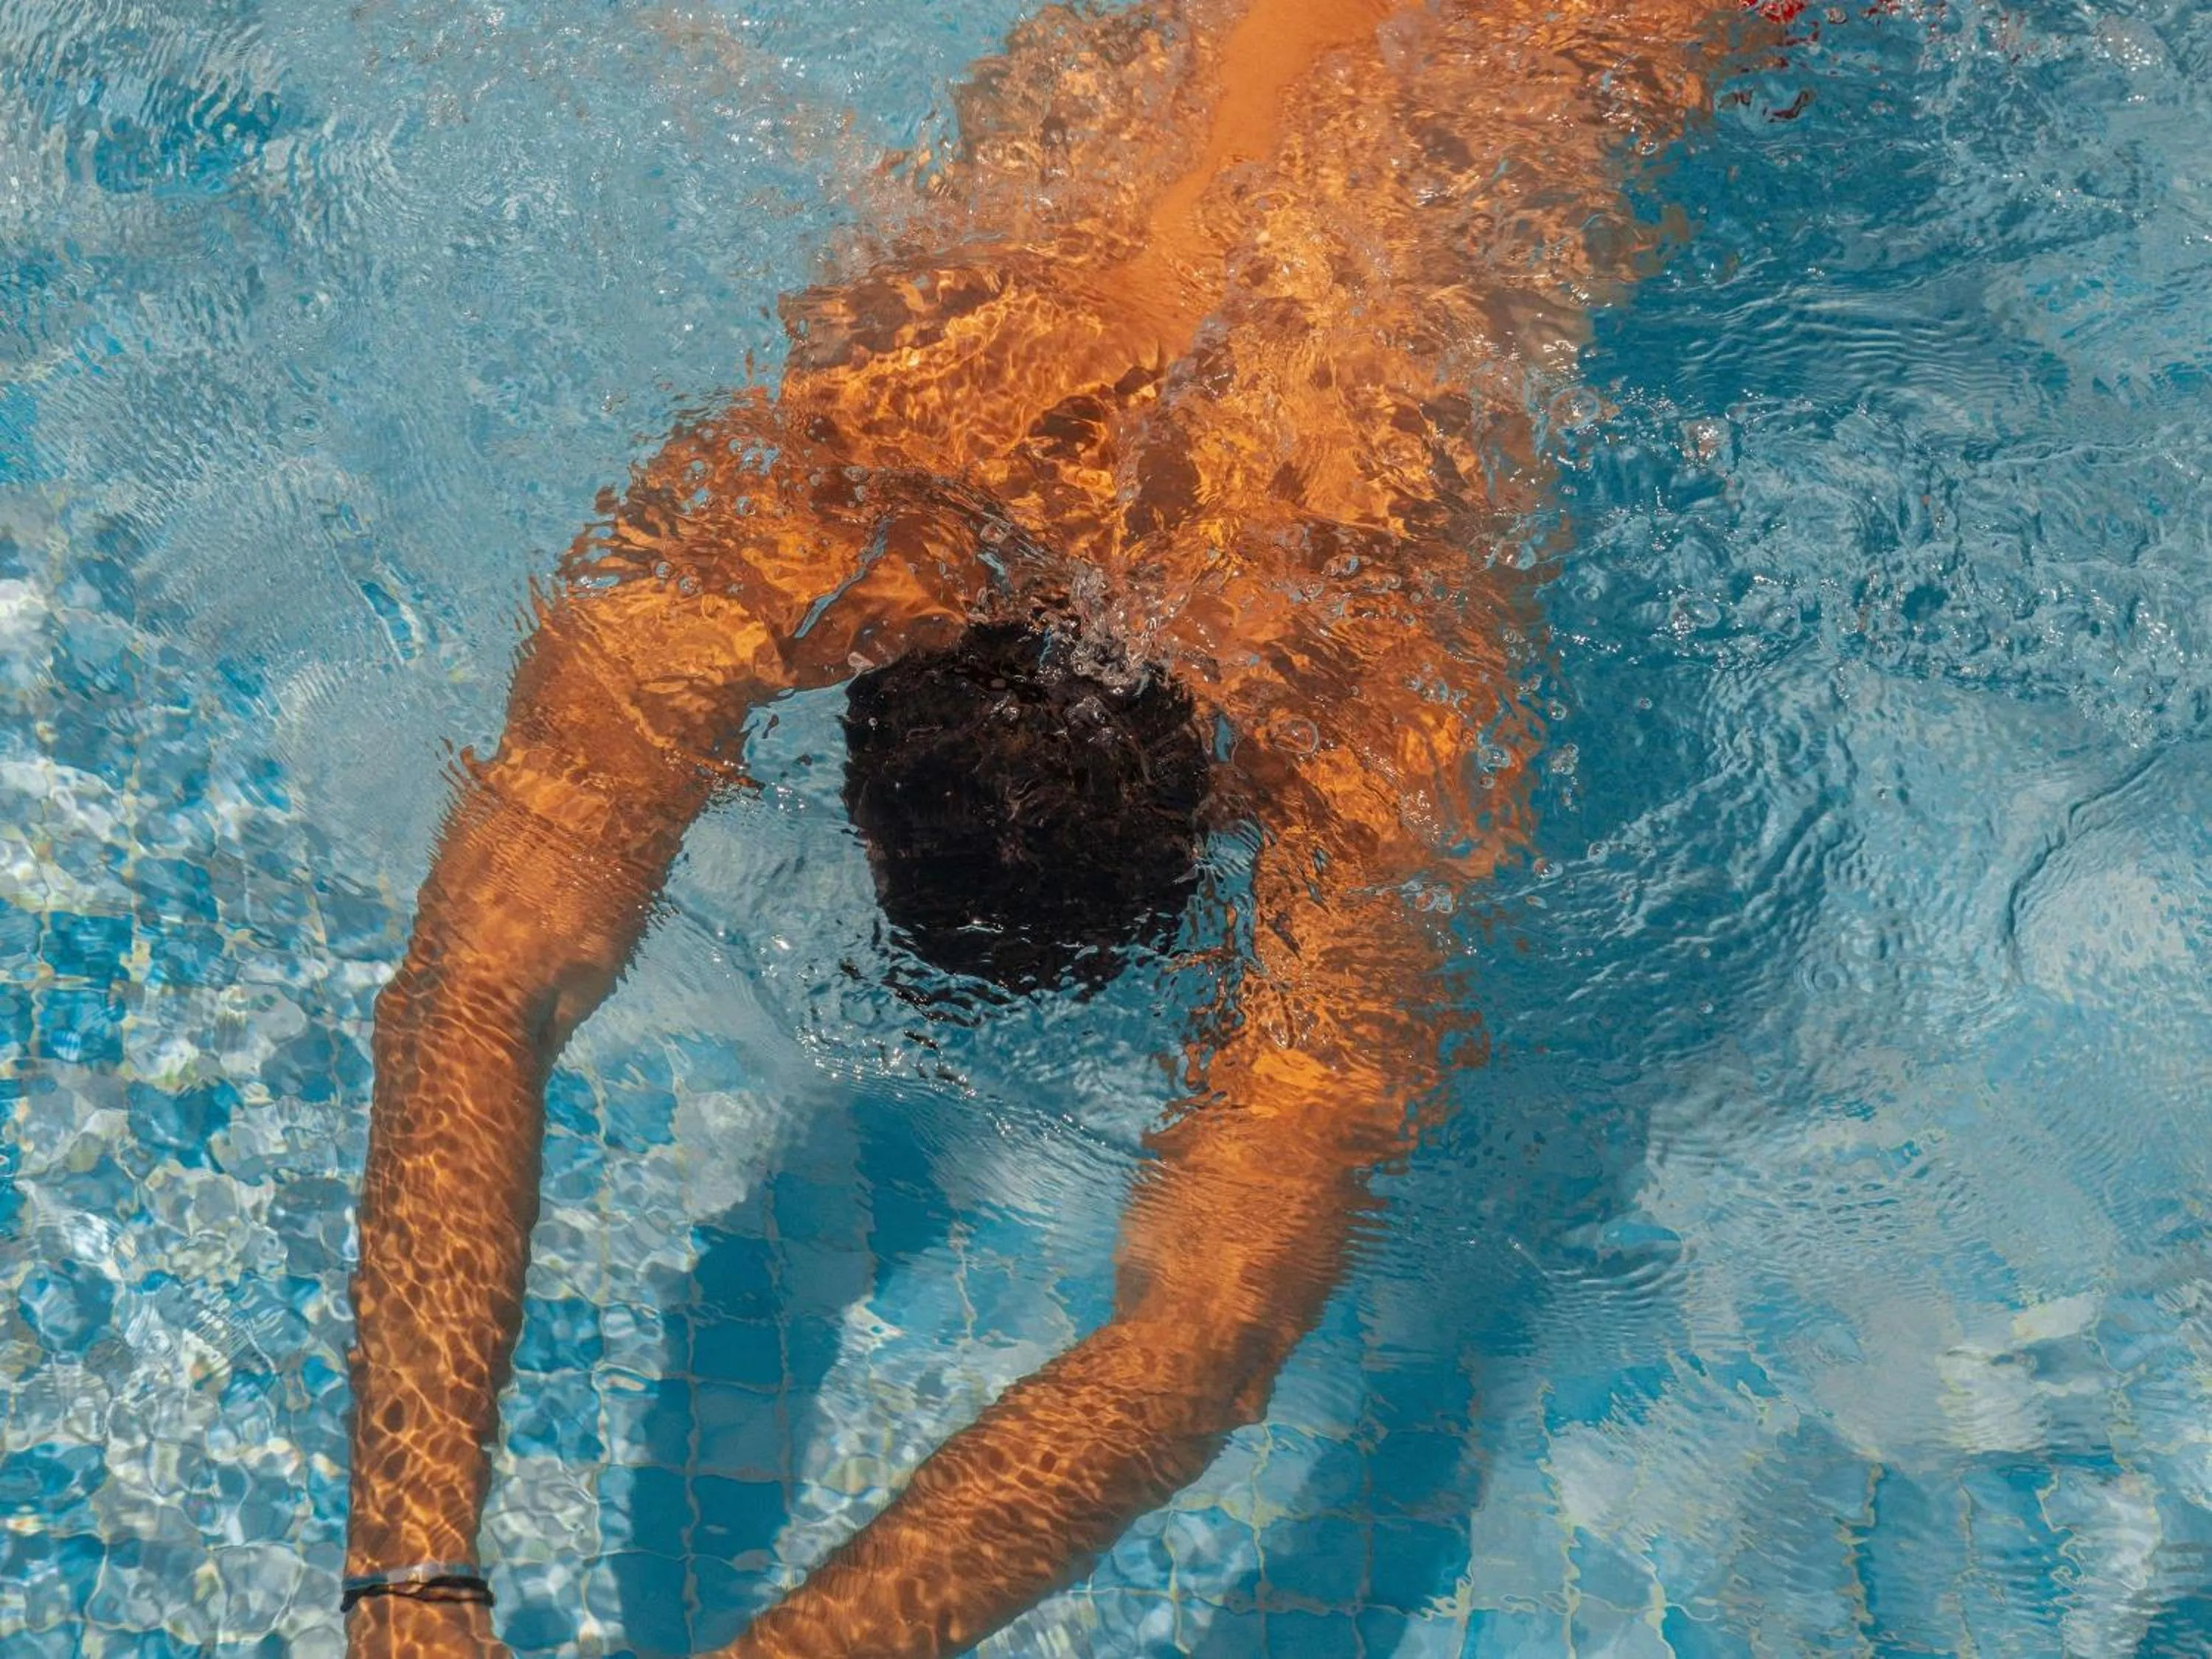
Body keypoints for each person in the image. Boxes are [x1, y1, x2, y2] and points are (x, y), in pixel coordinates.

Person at [344, 0, 1742, 1652]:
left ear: (883, 645)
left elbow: (1213, 1336)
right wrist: (405, 1588)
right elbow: (470, 999)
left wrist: (414, 1585)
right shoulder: (867, 446)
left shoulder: (1357, 674)